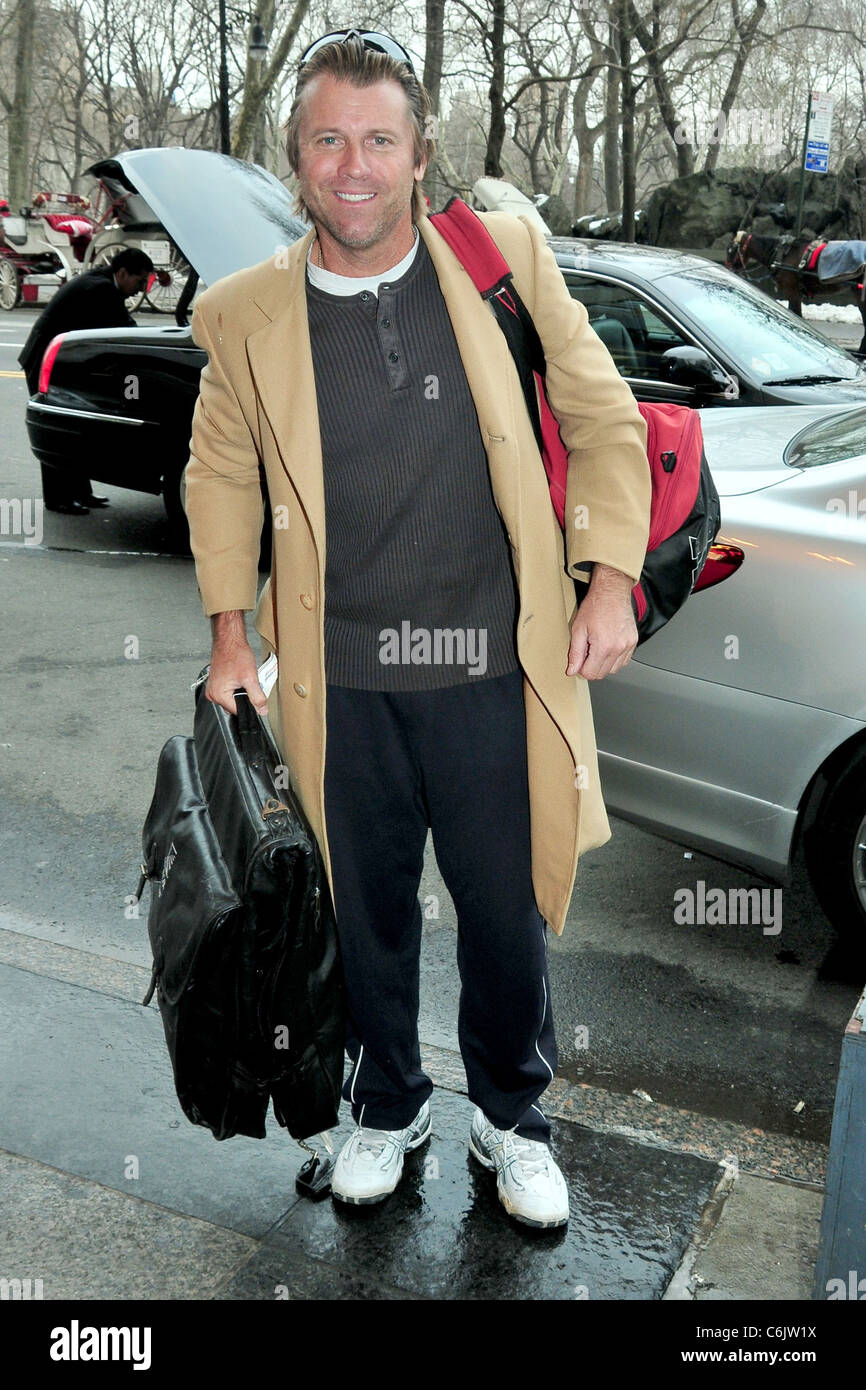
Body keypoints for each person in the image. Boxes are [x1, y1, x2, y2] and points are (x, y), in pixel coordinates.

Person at [183, 30, 651, 1230]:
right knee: (365, 917)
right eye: (327, 139)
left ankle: (512, 1115)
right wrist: (231, 637)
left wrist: (609, 579)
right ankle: (388, 1105)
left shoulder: (501, 263)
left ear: (416, 151)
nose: (353, 164)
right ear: (294, 159)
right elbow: (219, 477)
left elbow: (603, 415)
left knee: (505, 914)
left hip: (493, 670)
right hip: (340, 686)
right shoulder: (242, 315)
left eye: (377, 139)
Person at [19, 246, 153, 513]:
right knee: (59, 429)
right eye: (139, 281)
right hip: (44, 362)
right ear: (123, 272)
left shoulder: (105, 281)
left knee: (77, 427)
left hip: (60, 362)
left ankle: (81, 491)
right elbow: (123, 331)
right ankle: (58, 498)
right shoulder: (101, 290)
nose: (141, 290)